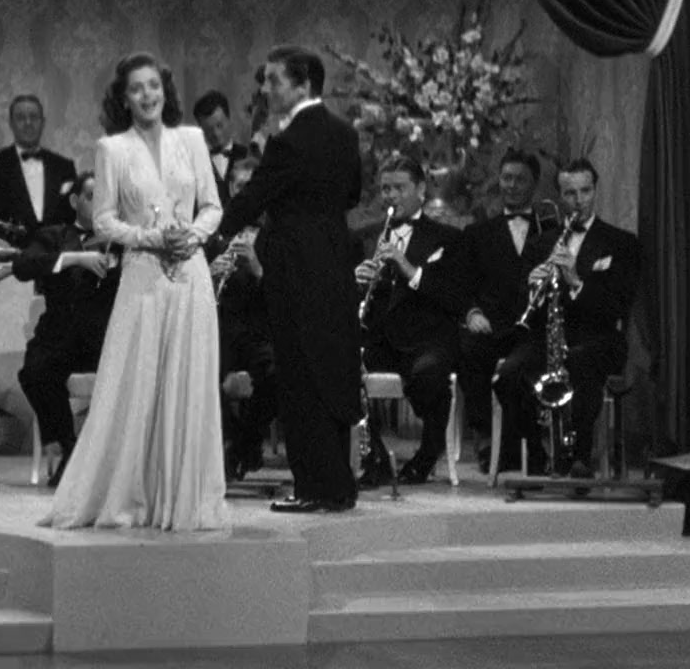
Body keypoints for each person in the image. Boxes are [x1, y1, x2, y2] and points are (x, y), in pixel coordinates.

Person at [42, 52, 226, 530]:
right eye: (137, 88)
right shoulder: (113, 149)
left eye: (154, 86)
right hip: (143, 276)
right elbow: (104, 220)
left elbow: (212, 205)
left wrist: (193, 235)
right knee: (139, 384)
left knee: (188, 384)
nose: (148, 95)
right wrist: (149, 237)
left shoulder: (192, 139)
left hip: (190, 275)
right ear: (124, 98)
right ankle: (132, 496)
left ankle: (182, 500)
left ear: (166, 90)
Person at [215, 47, 362, 513]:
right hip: (335, 265)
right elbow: (353, 194)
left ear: (303, 85)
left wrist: (211, 235)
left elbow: (254, 197)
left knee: (300, 378)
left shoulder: (288, 140)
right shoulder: (344, 133)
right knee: (331, 373)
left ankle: (313, 487)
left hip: (295, 271)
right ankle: (338, 485)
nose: (265, 89)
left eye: (274, 80)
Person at [493, 158, 640, 478]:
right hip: (548, 336)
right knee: (508, 376)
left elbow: (616, 305)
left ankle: (579, 456)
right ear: (560, 196)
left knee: (580, 360)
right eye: (570, 193)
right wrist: (533, 286)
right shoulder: (541, 244)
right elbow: (518, 304)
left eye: (585, 191)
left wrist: (574, 280)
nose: (579, 200)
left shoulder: (620, 243)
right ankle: (536, 454)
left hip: (598, 336)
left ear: (595, 191)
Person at [355, 155, 469, 487]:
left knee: (429, 376)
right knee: (342, 367)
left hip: (427, 338)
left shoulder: (447, 237)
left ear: (420, 190)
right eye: (385, 189)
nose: (391, 196)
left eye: (399, 188)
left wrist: (407, 268)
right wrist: (357, 281)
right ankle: (374, 456)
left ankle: (427, 455)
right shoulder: (367, 237)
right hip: (381, 338)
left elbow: (452, 296)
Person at [12, 172, 120, 487]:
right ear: (75, 201)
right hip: (58, 334)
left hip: (104, 339)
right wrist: (76, 258)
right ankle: (70, 445)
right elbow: (22, 266)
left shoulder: (123, 241)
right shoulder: (53, 236)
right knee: (34, 372)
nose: (99, 204)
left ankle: (106, 460)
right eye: (91, 196)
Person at [458, 150, 559, 472]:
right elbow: (464, 286)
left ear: (534, 185)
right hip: (492, 327)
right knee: (468, 351)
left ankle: (524, 446)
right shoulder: (478, 233)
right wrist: (473, 314)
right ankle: (486, 438)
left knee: (516, 371)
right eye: (507, 178)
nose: (512, 186)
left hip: (533, 330)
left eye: (520, 180)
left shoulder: (553, 231)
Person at [211, 157, 278, 483]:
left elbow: (286, 296)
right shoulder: (213, 235)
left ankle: (245, 443)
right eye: (241, 187)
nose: (247, 195)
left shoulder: (277, 237)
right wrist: (210, 275)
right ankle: (234, 440)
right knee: (199, 373)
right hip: (220, 330)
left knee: (278, 373)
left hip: (262, 330)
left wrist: (257, 268)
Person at [0, 94, 78, 249]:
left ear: (43, 122)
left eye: (34, 117)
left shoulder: (64, 167)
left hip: (57, 258)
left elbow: (74, 216)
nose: (28, 123)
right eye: (21, 118)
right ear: (11, 123)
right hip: (6, 257)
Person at [193, 90, 249, 208]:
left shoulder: (248, 155)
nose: (216, 134)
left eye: (220, 125)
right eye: (208, 130)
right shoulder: (196, 165)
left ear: (229, 119)